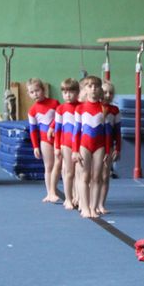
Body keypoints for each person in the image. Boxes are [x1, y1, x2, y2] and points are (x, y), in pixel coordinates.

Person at [72, 76, 109, 218]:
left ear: (100, 89)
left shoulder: (104, 108)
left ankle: (93, 208)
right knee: (85, 176)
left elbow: (107, 133)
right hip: (84, 146)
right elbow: (76, 132)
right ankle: (85, 207)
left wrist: (107, 150)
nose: (93, 89)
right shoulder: (80, 108)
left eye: (96, 86)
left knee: (97, 177)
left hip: (100, 146)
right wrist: (75, 150)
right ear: (85, 89)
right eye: (90, 86)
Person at [26, 78, 61, 204]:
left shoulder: (54, 103)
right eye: (32, 92)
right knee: (48, 166)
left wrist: (52, 126)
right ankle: (50, 193)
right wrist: (35, 146)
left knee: (60, 165)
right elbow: (33, 130)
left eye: (37, 90)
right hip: (45, 140)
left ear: (43, 90)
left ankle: (58, 191)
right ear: (29, 94)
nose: (35, 94)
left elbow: (60, 117)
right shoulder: (32, 110)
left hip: (58, 138)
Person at [53, 78, 81, 210]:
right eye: (65, 93)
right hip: (66, 144)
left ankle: (77, 196)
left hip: (80, 144)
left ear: (77, 93)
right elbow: (58, 130)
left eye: (71, 92)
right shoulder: (60, 109)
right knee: (69, 172)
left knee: (79, 173)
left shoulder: (81, 107)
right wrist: (57, 147)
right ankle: (68, 198)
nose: (68, 95)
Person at [99, 80, 122, 215]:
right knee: (93, 176)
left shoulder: (115, 110)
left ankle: (101, 204)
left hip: (108, 147)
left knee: (105, 176)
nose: (108, 95)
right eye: (105, 92)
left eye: (111, 93)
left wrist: (118, 148)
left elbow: (117, 132)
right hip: (94, 146)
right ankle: (91, 202)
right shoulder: (95, 108)